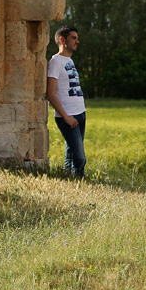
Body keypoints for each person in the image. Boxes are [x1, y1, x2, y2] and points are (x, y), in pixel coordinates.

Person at [46, 25, 86, 177]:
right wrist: (66, 116)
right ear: (62, 40)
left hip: (80, 113)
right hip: (68, 116)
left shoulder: (68, 60)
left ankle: (70, 179)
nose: (77, 41)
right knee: (80, 158)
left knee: (72, 153)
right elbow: (50, 93)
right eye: (73, 38)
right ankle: (80, 181)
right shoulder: (56, 62)